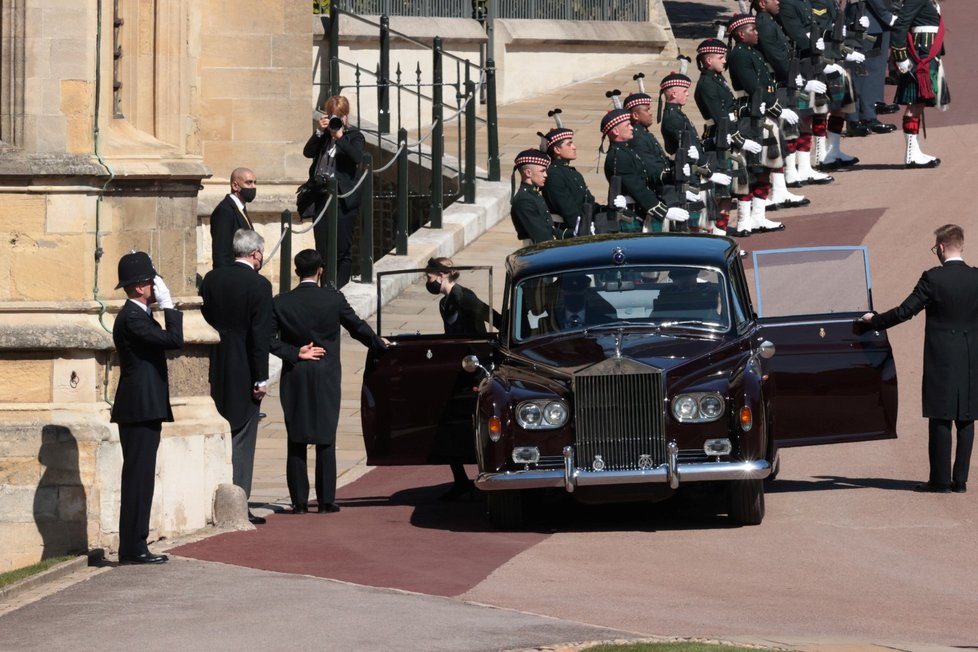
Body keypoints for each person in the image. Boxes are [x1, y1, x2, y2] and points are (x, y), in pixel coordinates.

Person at [859, 225, 978, 493]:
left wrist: (874, 321)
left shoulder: (933, 279)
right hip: (971, 354)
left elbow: (904, 311)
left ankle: (940, 480)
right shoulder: (975, 278)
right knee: (966, 418)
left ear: (942, 247)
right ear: (962, 246)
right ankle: (960, 481)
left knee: (941, 416)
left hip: (942, 355)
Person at [271, 250, 388, 514]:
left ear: (296, 270)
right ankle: (326, 500)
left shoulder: (281, 302)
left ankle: (299, 502)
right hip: (326, 374)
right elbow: (357, 327)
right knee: (326, 437)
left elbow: (268, 339)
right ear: (320, 270)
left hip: (296, 372)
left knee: (296, 438)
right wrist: (380, 344)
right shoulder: (333, 299)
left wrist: (295, 352)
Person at [111, 252, 183, 564]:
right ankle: (132, 546)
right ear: (141, 287)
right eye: (153, 282)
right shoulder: (133, 318)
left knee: (141, 476)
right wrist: (170, 307)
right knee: (138, 477)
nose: (157, 287)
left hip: (143, 407)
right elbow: (174, 341)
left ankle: (135, 543)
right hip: (139, 408)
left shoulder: (139, 315)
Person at [200, 229, 274, 524]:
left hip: (214, 362)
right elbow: (260, 336)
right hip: (243, 365)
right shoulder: (259, 286)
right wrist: (261, 378)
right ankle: (238, 503)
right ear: (256, 254)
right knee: (243, 436)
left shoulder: (212, 279)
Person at [424, 257, 500, 500]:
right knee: (447, 422)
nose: (427, 280)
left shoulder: (464, 296)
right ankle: (460, 480)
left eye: (429, 275)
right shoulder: (444, 303)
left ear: (442, 274)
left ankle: (487, 475)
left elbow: (492, 317)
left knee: (479, 424)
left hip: (476, 370)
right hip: (459, 369)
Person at [725, 14, 789, 236]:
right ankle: (744, 220)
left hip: (763, 111)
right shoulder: (739, 55)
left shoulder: (752, 52)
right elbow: (755, 88)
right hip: (750, 115)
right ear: (741, 34)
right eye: (753, 30)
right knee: (749, 171)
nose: (757, 33)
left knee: (764, 169)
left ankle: (758, 216)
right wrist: (778, 108)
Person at [694, 37, 766, 235]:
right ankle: (719, 236)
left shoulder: (717, 78)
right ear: (708, 60)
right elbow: (720, 118)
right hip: (720, 140)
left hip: (730, 136)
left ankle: (736, 228)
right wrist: (741, 141)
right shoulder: (707, 84)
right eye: (720, 57)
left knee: (735, 188)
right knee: (721, 194)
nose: (724, 60)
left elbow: (731, 108)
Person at [658, 71, 734, 233]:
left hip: (694, 167)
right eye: (684, 91)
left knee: (705, 217)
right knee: (697, 220)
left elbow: (694, 144)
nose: (687, 94)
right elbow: (687, 150)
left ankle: (719, 241)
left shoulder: (678, 114)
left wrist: (709, 143)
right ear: (672, 94)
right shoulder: (673, 118)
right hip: (688, 171)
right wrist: (709, 173)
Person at [302, 95, 365, 288]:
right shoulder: (324, 137)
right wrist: (319, 132)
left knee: (341, 249)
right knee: (322, 247)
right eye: (331, 115)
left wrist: (340, 138)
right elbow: (307, 152)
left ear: (346, 117)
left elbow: (356, 157)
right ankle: (325, 288)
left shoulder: (354, 136)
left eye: (339, 116)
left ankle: (339, 289)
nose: (335, 120)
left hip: (342, 199)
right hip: (321, 196)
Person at [602, 107, 688, 233]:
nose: (632, 128)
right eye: (627, 125)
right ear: (615, 131)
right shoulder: (618, 157)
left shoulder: (626, 151)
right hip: (632, 212)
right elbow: (637, 189)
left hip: (641, 210)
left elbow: (647, 175)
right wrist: (664, 211)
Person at [890, 0, 948, 168]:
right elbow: (901, 25)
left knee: (919, 103)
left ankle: (914, 151)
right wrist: (900, 57)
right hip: (920, 58)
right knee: (914, 104)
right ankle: (911, 155)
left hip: (928, 56)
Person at [210, 168, 257, 269]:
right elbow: (221, 253)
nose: (253, 187)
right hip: (233, 276)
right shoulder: (224, 211)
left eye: (254, 182)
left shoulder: (240, 208)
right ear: (235, 185)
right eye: (249, 183)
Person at [510, 148, 554, 246]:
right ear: (528, 173)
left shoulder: (533, 194)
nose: (546, 175)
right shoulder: (524, 200)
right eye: (542, 171)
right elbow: (542, 237)